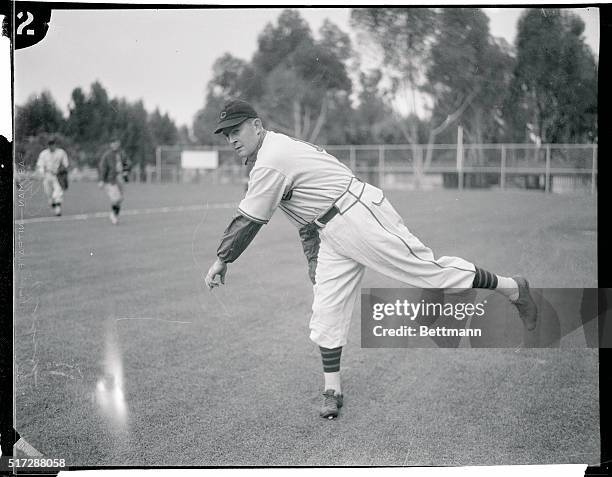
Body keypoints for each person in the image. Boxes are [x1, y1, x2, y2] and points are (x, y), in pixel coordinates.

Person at [204, 99, 538, 420]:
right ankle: (332, 390)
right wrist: (315, 259)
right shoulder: (272, 152)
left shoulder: (271, 158)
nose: (232, 139)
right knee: (326, 307)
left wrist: (222, 259)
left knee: (431, 273)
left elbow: (249, 220)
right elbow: (305, 218)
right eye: (227, 134)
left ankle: (513, 288)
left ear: (257, 126)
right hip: (331, 230)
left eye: (237, 130)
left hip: (356, 214)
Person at [98, 139, 131, 225]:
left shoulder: (122, 153)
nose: (116, 145)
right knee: (115, 198)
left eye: (117, 143)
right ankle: (113, 215)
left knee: (120, 199)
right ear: (111, 144)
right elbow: (103, 168)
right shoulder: (107, 155)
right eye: (114, 143)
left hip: (120, 178)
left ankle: (115, 215)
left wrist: (126, 170)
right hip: (111, 179)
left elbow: (127, 163)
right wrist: (101, 180)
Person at [36, 138, 69, 216]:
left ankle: (58, 210)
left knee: (57, 192)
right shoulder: (43, 154)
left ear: (55, 144)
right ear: (48, 145)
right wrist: (42, 172)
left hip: (58, 176)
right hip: (47, 175)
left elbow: (65, 164)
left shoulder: (61, 152)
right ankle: (53, 204)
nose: (51, 146)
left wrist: (61, 170)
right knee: (49, 194)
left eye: (52, 144)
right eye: (50, 144)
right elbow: (40, 165)